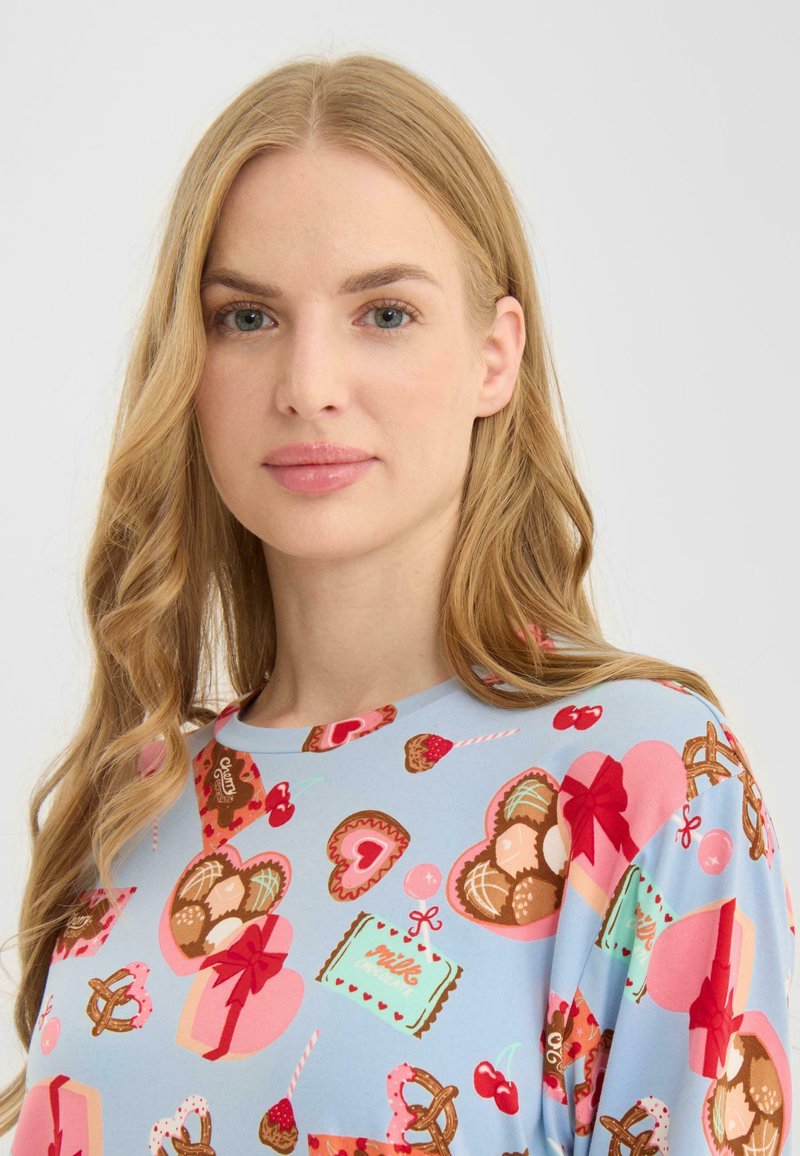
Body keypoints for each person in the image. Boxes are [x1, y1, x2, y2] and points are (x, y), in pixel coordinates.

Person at [2, 50, 794, 1156]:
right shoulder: (137, 799)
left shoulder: (638, 783)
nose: (309, 384)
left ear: (493, 356)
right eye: (246, 317)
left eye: (383, 312)